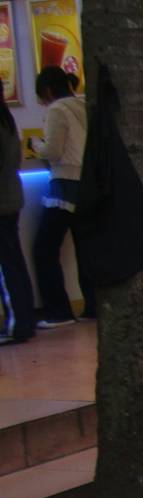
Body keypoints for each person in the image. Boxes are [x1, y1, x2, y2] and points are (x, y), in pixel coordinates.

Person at [27, 66, 93, 326]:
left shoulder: (57, 110)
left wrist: (34, 145)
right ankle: (94, 306)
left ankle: (58, 311)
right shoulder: (85, 104)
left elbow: (53, 151)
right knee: (86, 248)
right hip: (88, 185)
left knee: (44, 248)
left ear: (47, 91)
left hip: (65, 186)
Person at [0, 85, 34, 346]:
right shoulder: (6, 119)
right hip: (11, 198)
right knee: (15, 262)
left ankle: (16, 324)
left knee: (6, 266)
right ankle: (24, 320)